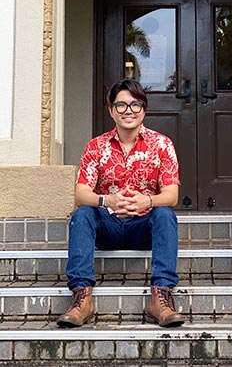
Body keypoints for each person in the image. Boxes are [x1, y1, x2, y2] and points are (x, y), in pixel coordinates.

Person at [57, 78, 184, 328]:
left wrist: (146, 201)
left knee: (165, 215)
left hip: (143, 226)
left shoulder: (162, 145)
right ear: (111, 111)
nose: (129, 111)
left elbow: (171, 195)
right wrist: (107, 201)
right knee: (82, 214)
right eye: (121, 105)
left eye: (135, 105)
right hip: (108, 226)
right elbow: (81, 193)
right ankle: (82, 297)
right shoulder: (96, 146)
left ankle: (161, 298)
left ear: (144, 109)